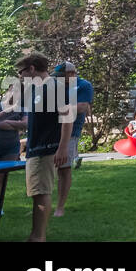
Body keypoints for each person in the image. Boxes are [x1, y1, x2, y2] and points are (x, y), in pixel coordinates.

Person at [0, 53, 72, 242]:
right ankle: (36, 236)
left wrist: (62, 148)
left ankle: (37, 237)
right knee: (37, 193)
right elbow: (9, 111)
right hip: (35, 149)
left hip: (46, 149)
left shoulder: (53, 87)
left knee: (42, 192)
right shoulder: (35, 90)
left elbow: (68, 117)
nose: (20, 76)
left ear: (32, 69)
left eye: (21, 72)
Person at [53, 62, 91, 217]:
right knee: (46, 170)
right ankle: (44, 204)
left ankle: (60, 207)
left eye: (61, 76)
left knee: (64, 168)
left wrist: (57, 109)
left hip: (70, 131)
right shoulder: (55, 84)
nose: (58, 79)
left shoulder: (83, 85)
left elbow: (82, 107)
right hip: (49, 130)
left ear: (71, 73)